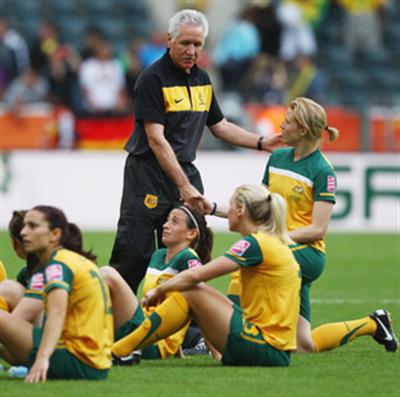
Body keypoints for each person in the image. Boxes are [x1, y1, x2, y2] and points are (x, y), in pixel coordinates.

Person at [109, 9, 282, 294]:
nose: (192, 51)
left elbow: (220, 126)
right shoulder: (152, 79)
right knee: (133, 256)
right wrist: (185, 186)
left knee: (193, 252)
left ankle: (190, 331)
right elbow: (156, 139)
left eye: (198, 44)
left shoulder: (203, 79)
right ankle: (116, 328)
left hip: (184, 170)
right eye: (185, 43)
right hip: (148, 174)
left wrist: (262, 142)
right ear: (169, 40)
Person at [223, 97, 398, 353]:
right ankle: (372, 324)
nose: (281, 126)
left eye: (287, 122)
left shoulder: (322, 170)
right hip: (283, 249)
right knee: (305, 345)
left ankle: (221, 339)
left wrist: (274, 240)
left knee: (243, 266)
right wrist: (214, 209)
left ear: (303, 129)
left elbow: (317, 229)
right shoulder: (277, 158)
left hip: (306, 253)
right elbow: (253, 209)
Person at [113, 184, 301, 367]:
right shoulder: (269, 243)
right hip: (270, 347)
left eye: (231, 205)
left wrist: (159, 290)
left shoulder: (255, 244)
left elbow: (196, 276)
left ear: (241, 210)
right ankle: (126, 349)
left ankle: (122, 350)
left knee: (191, 289)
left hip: (265, 346)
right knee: (193, 292)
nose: (228, 212)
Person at [0, 206, 114, 382]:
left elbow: (57, 313)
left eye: (32, 226)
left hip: (78, 359)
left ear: (55, 234)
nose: (23, 232)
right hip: (91, 359)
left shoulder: (58, 265)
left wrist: (42, 358)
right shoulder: (58, 261)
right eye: (24, 226)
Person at [103, 205, 213, 362]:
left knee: (108, 274)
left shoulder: (188, 258)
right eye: (167, 220)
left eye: (174, 222)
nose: (165, 225)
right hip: (143, 327)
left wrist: (216, 353)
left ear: (191, 233)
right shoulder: (158, 255)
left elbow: (202, 301)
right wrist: (179, 351)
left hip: (153, 341)